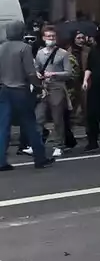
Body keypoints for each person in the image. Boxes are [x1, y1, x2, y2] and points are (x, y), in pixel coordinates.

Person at [0, 21, 52, 170]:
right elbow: (30, 72)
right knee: (30, 124)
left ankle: (1, 161)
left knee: (3, 126)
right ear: (21, 32)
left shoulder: (1, 48)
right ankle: (40, 158)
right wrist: (38, 86)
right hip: (20, 90)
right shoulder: (25, 48)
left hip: (4, 90)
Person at [31, 25, 70, 157]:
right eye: (48, 36)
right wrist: (37, 74)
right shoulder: (40, 53)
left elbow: (68, 73)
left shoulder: (63, 53)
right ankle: (36, 143)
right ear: (43, 38)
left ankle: (59, 144)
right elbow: (36, 67)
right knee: (38, 117)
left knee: (57, 118)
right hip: (44, 88)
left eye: (53, 36)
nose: (51, 38)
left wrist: (53, 74)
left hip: (57, 87)